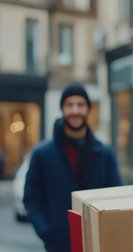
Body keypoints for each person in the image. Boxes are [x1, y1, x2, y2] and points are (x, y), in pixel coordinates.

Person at [24, 83, 122, 252]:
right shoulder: (42, 154)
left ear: (88, 109)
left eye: (80, 104)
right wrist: (46, 231)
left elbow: (117, 196)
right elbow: (32, 199)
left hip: (97, 243)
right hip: (58, 244)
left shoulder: (105, 154)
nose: (75, 110)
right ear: (62, 109)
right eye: (70, 105)